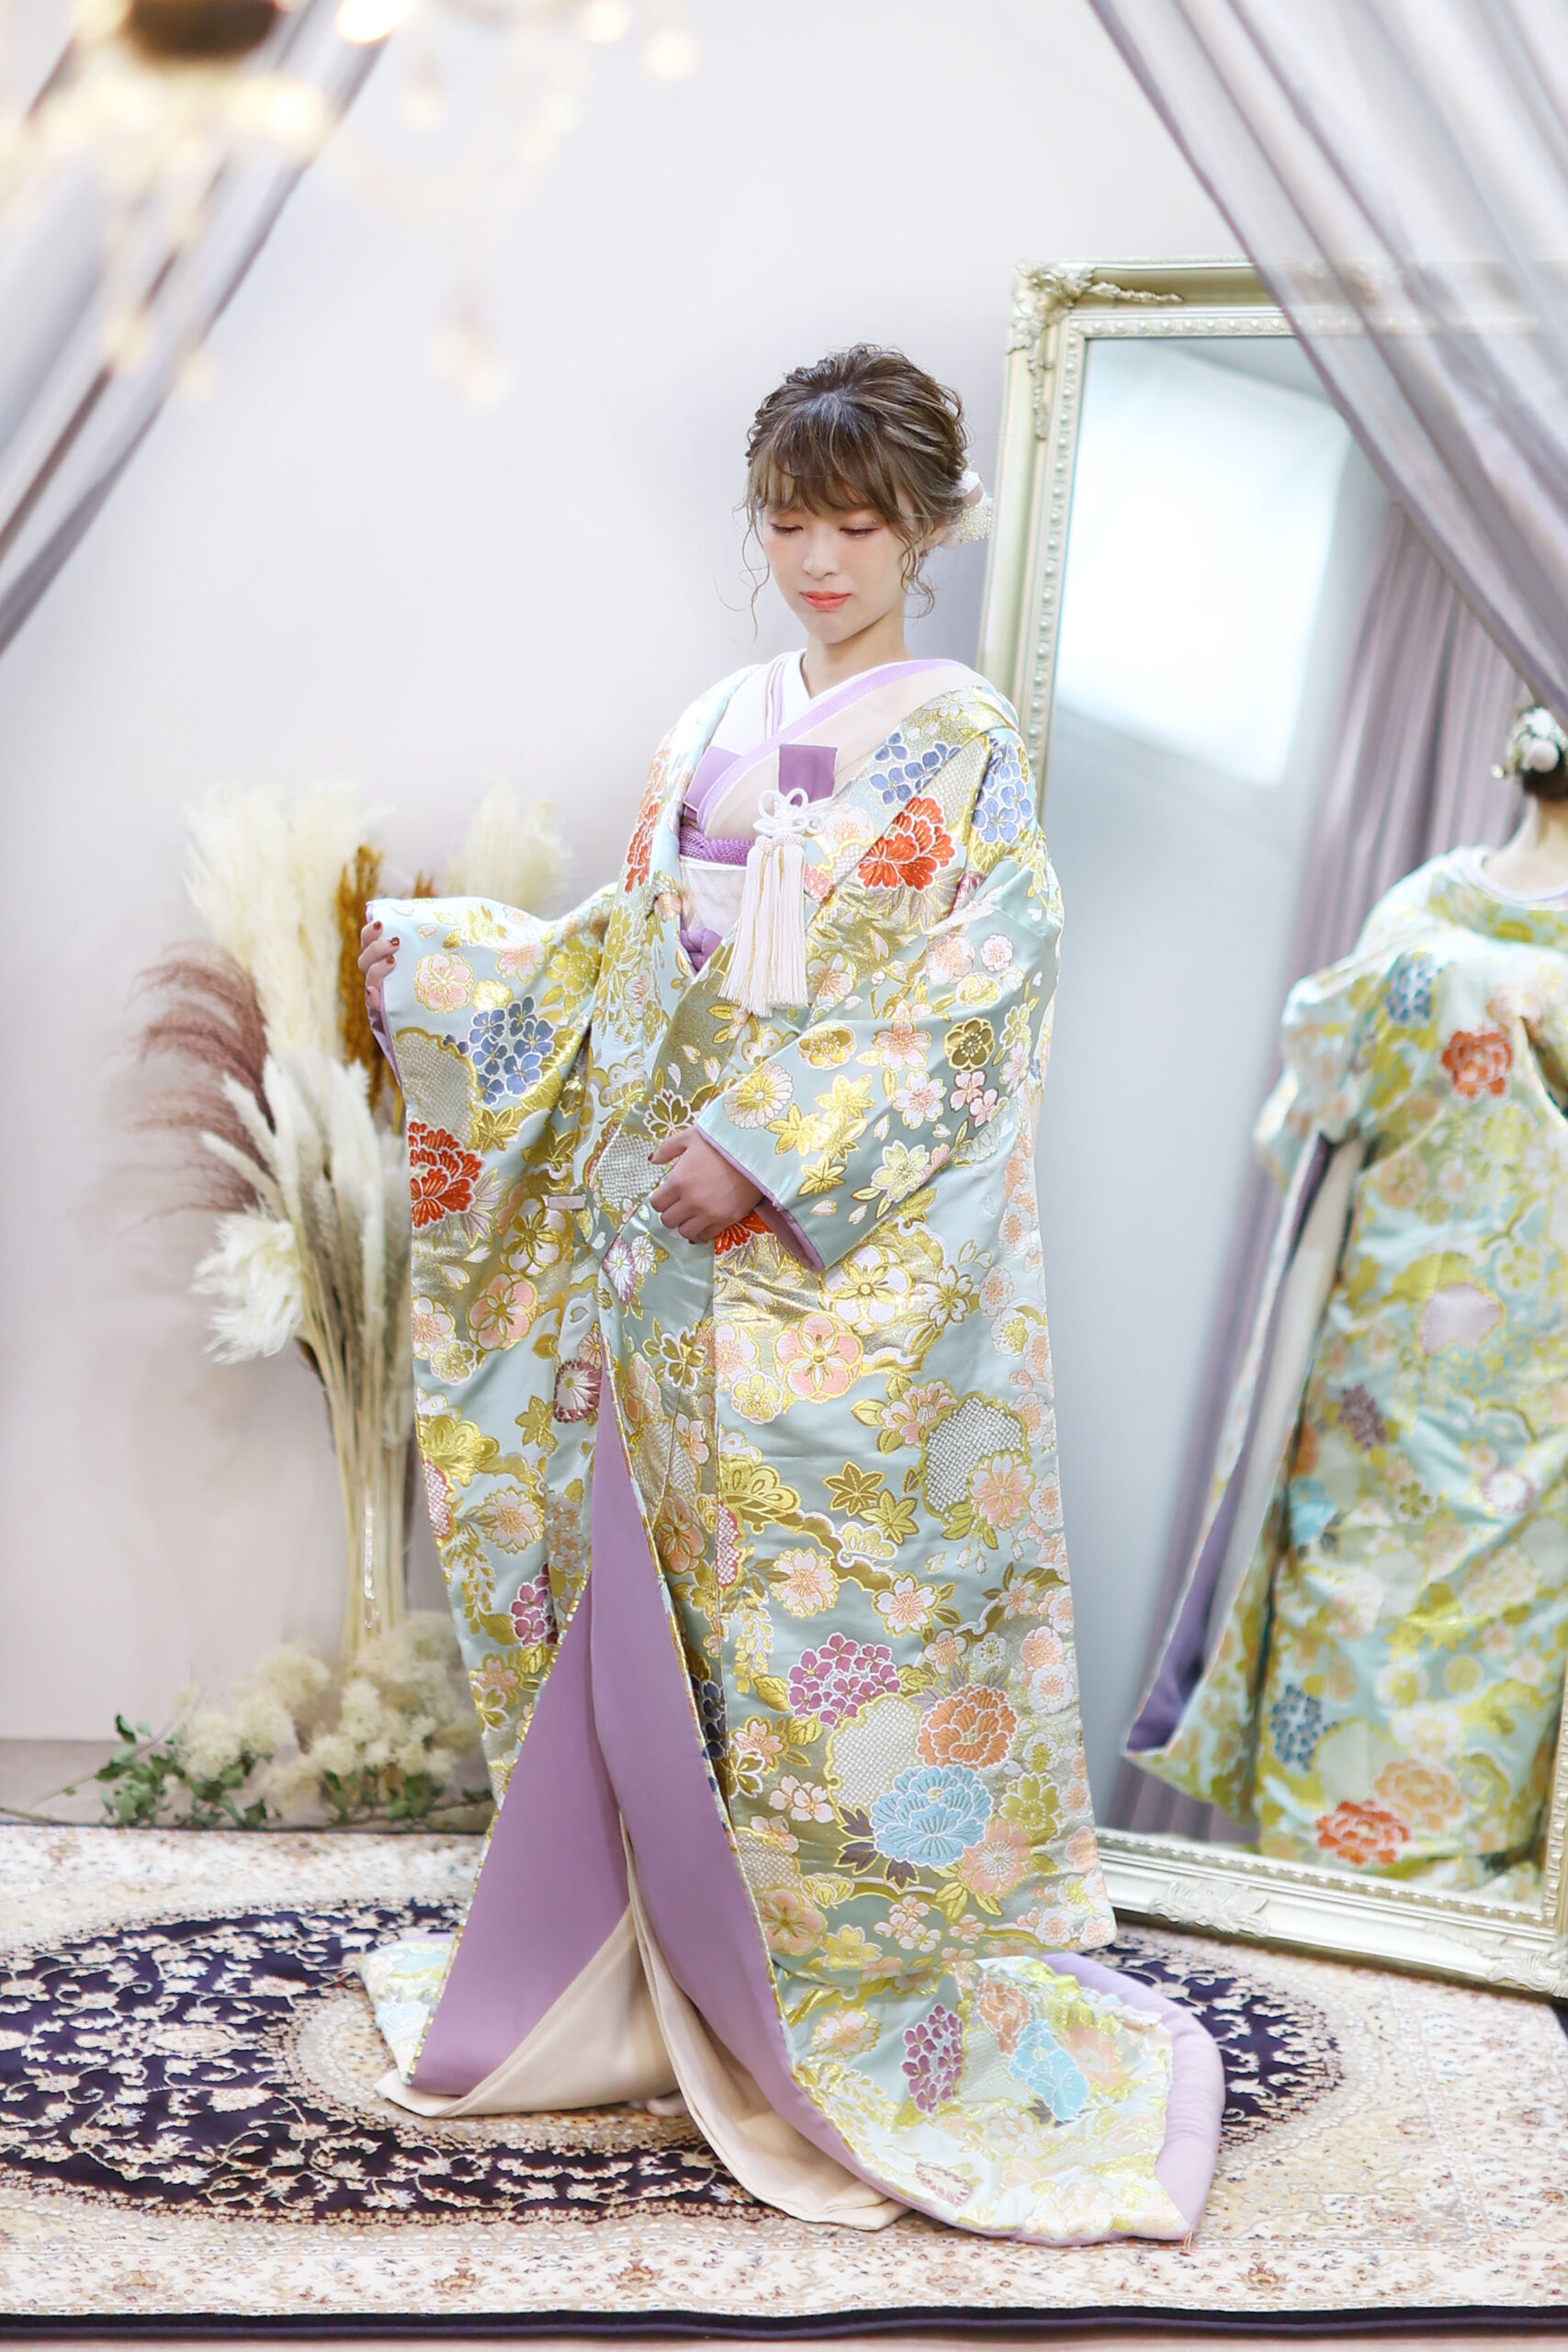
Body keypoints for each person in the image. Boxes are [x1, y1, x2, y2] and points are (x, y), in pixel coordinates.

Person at [357, 346, 1220, 2244]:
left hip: (831, 1284)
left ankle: (842, 1993)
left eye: (857, 525)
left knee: (842, 1629)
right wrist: (456, 974)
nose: (819, 561)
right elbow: (633, 949)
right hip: (673, 1268)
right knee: (671, 1612)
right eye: (788, 520)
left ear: (928, 530)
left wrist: (763, 1147)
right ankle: (676, 1964)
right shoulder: (714, 722)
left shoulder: (962, 744)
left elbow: (969, 999)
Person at [1129, 706, 1568, 1895]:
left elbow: (1307, 1114)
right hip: (1401, 1372)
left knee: (1468, 1676)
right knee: (1357, 1635)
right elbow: (1319, 1110)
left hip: (1504, 1383)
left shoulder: (1425, 916)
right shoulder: (1429, 903)